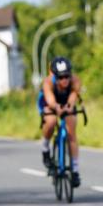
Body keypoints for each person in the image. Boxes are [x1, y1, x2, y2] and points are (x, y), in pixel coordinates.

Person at [38, 56, 82, 186]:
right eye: (61, 77)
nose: (65, 80)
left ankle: (75, 170)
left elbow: (73, 97)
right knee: (50, 122)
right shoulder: (48, 82)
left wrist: (68, 107)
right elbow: (50, 100)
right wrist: (57, 108)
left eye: (67, 76)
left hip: (66, 102)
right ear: (55, 76)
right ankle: (45, 148)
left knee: (71, 133)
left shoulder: (75, 81)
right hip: (49, 102)